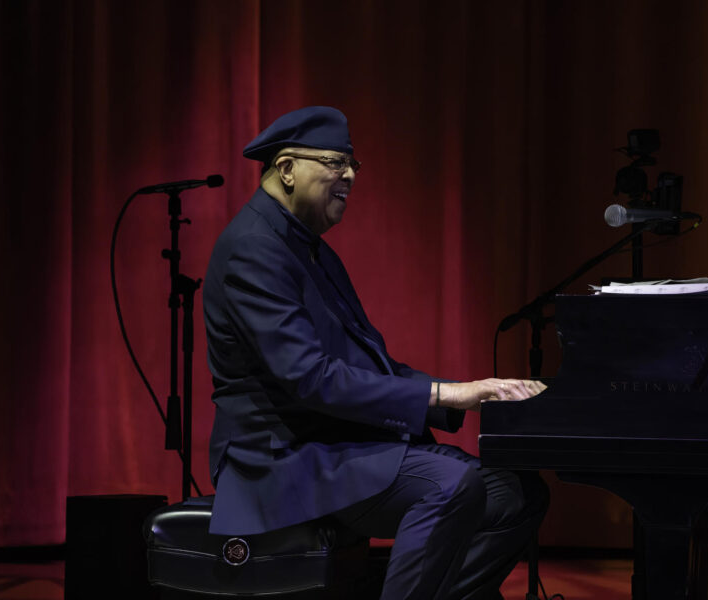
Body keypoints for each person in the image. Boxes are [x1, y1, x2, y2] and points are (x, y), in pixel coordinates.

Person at [202, 106, 549, 600]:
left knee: (517, 493)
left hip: (337, 443)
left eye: (353, 165)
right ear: (286, 169)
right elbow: (310, 378)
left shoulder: (308, 248)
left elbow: (371, 365)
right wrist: (447, 394)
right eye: (335, 163)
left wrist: (474, 391)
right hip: (284, 456)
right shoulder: (254, 249)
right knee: (450, 485)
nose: (348, 175)